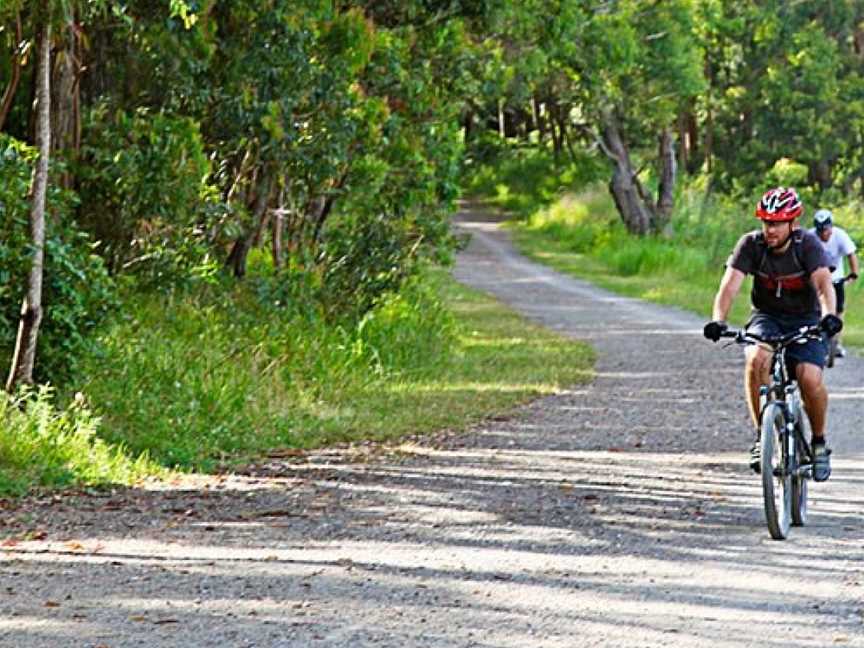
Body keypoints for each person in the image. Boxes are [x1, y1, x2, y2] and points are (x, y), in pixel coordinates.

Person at [703, 187, 842, 481]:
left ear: (793, 223)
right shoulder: (750, 245)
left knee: (809, 378)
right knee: (756, 359)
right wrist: (718, 319)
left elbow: (823, 285)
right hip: (767, 317)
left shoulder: (808, 246)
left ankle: (818, 443)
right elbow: (729, 286)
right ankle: (762, 436)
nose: (771, 229)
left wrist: (829, 315)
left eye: (778, 223)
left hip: (806, 320)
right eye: (766, 222)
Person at [810, 209, 858, 357]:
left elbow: (851, 255)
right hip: (817, 276)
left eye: (826, 230)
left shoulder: (840, 235)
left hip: (836, 277)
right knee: (815, 308)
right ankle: (814, 338)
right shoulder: (810, 237)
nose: (824, 234)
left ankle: (836, 343)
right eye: (820, 231)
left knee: (838, 310)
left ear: (831, 227)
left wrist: (854, 272)